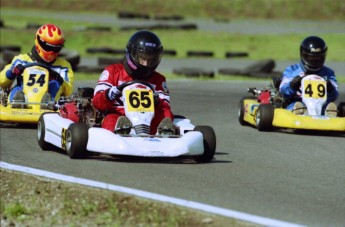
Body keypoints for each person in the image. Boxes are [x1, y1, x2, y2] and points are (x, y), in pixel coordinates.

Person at [92, 30, 175, 135]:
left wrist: (157, 100)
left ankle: (165, 133)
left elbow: (165, 107)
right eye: (142, 58)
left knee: (166, 113)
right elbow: (97, 102)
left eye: (151, 60)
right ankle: (121, 131)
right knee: (111, 119)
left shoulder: (158, 79)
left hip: (148, 119)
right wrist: (110, 94)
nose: (146, 63)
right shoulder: (113, 71)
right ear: (131, 53)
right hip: (119, 115)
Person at [0, 24, 74, 106]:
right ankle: (16, 102)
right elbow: (1, 81)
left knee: (55, 84)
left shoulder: (63, 66)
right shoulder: (22, 60)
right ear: (38, 41)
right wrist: (12, 72)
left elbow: (68, 91)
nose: (52, 51)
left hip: (50, 99)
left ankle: (48, 103)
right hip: (24, 96)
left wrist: (58, 78)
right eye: (48, 47)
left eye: (56, 48)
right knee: (18, 88)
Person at [279, 36, 339, 116]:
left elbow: (335, 95)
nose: (315, 60)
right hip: (298, 101)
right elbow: (283, 92)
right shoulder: (292, 70)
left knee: (330, 107)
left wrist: (330, 88)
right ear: (303, 55)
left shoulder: (328, 73)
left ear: (323, 56)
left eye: (318, 57)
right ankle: (299, 112)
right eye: (311, 57)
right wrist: (292, 85)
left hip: (321, 105)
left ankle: (329, 114)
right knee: (296, 106)